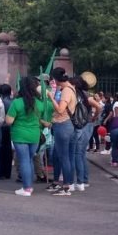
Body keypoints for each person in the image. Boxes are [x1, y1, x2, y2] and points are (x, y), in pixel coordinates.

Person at [7, 76, 46, 196]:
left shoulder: (17, 103)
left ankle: (26, 187)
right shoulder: (40, 103)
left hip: (19, 135)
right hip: (34, 135)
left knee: (24, 161)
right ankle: (29, 186)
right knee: (29, 160)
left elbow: (9, 121)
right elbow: (41, 119)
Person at [46, 67, 77, 196]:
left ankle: (66, 186)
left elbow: (60, 109)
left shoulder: (66, 91)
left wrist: (50, 97)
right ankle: (68, 184)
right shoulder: (71, 88)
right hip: (68, 126)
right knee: (67, 157)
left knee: (64, 157)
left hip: (62, 125)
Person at [70, 76, 101, 191]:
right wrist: (93, 117)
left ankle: (80, 180)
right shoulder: (86, 95)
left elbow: (98, 107)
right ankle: (83, 179)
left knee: (78, 153)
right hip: (87, 124)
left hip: (81, 125)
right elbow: (98, 107)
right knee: (81, 154)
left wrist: (94, 117)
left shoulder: (80, 95)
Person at [0, 83, 14, 180]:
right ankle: (7, 172)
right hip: (10, 128)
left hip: (1, 127)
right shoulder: (12, 102)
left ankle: (0, 172)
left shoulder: (0, 102)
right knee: (8, 150)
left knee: (0, 150)